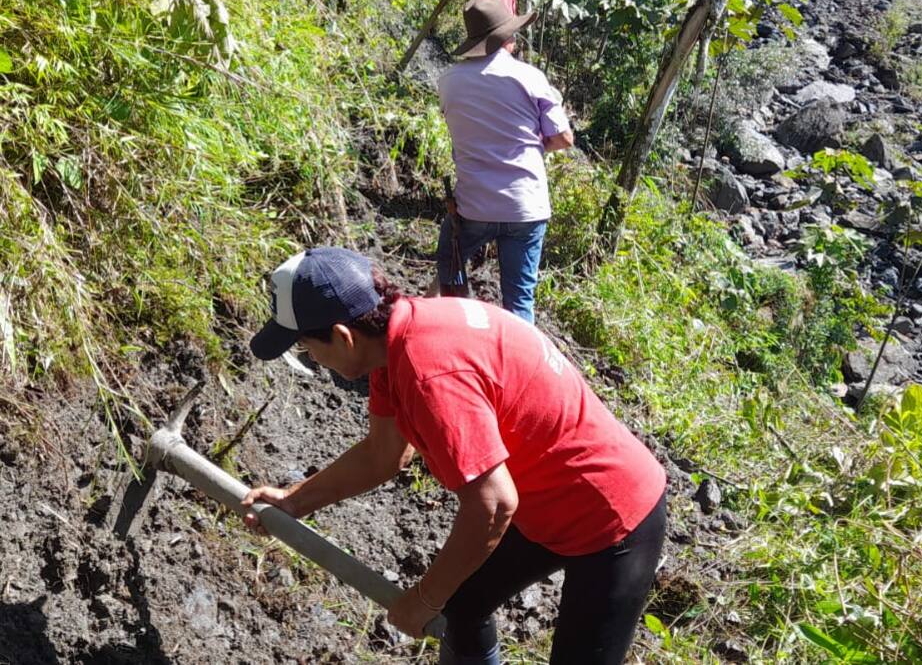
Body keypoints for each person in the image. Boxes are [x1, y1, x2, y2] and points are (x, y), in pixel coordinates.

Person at [242, 247, 669, 665]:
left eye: (307, 347)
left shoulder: (429, 373)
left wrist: (424, 600)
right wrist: (295, 500)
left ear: (342, 336)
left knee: (450, 601)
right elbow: (382, 454)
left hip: (612, 516)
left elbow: (493, 504)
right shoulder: (397, 341)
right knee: (461, 607)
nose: (313, 359)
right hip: (548, 500)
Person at [435, 0, 572, 323]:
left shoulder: (448, 81)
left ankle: (457, 319)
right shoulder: (530, 77)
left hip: (474, 204)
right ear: (508, 38)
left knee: (449, 263)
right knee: (519, 301)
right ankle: (517, 350)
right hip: (525, 206)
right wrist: (533, 146)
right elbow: (563, 138)